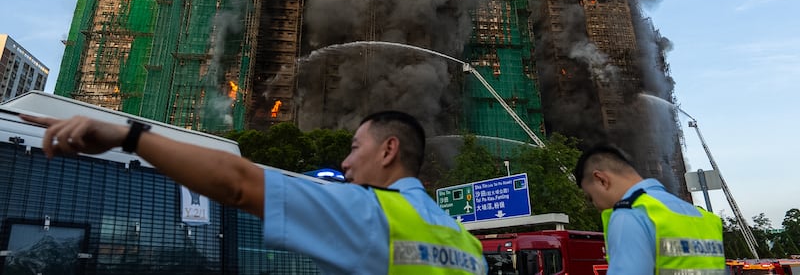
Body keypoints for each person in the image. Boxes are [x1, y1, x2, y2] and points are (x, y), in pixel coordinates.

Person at [22, 110, 487, 275]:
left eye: (353, 147)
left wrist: (129, 138)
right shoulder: (468, 245)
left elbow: (238, 183)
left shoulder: (370, 213)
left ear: (389, 151)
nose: (345, 163)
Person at [574, 144, 725, 274]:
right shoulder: (706, 218)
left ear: (601, 180)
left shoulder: (630, 215)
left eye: (590, 197)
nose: (596, 205)